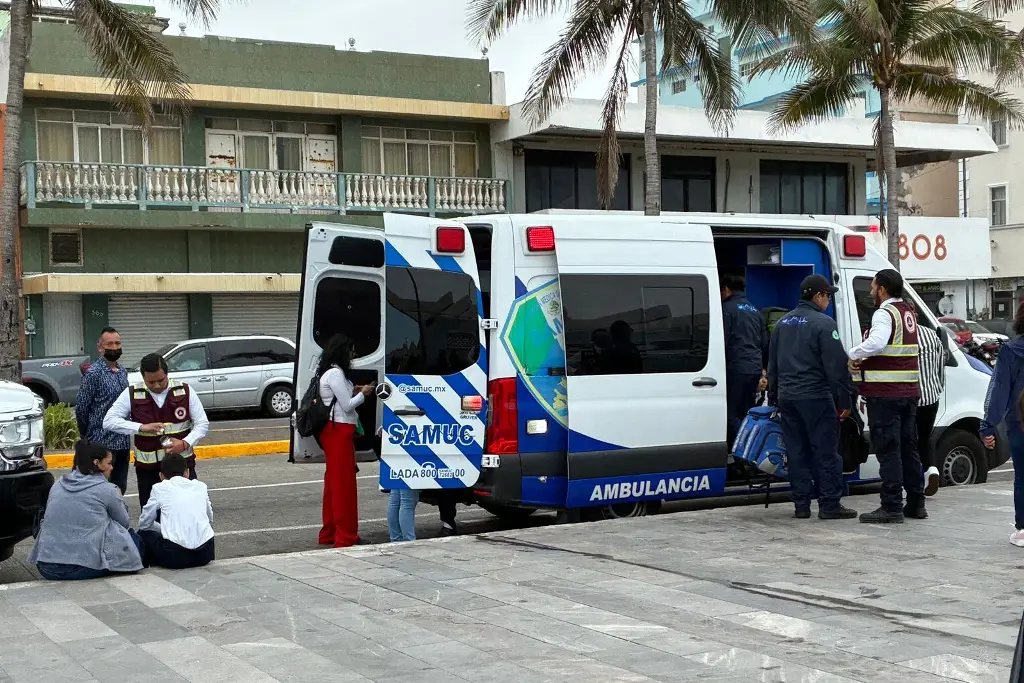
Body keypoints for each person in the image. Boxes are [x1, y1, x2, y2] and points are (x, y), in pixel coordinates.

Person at [767, 274, 857, 520]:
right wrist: (845, 400)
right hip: (816, 398)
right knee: (826, 452)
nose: (828, 300)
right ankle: (829, 505)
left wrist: (774, 397)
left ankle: (801, 505)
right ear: (818, 296)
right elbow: (836, 368)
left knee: (796, 453)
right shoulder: (824, 324)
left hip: (788, 398)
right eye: (827, 295)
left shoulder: (782, 324)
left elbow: (772, 365)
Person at [848, 268, 924, 524]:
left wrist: (853, 353)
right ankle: (916, 503)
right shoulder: (907, 311)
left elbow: (878, 343)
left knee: (889, 451)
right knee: (908, 449)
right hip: (908, 393)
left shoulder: (884, 313)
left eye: (873, 287)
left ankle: (891, 506)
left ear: (882, 289)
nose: (871, 291)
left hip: (885, 395)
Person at [103, 353, 209, 507]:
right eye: (151, 382)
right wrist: (140, 427)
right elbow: (109, 421)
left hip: (181, 466)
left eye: (161, 380)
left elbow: (202, 424)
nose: (157, 385)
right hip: (148, 471)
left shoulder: (184, 390)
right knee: (151, 514)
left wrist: (185, 443)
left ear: (167, 374)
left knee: (187, 508)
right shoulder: (132, 393)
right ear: (143, 378)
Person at [29, 440, 145, 580]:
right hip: (82, 567)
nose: (112, 467)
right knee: (135, 540)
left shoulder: (58, 485)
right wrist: (119, 497)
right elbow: (124, 524)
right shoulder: (108, 490)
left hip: (46, 567)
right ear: (96, 462)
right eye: (108, 463)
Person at [318, 335, 374, 548]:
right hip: (339, 431)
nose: (353, 355)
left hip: (333, 432)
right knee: (344, 485)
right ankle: (346, 536)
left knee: (333, 484)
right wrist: (365, 394)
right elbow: (348, 405)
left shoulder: (329, 372)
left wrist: (354, 389)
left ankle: (329, 532)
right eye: (351, 350)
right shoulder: (335, 373)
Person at [980, 301, 1024, 547]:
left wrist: (988, 426)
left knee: (1023, 477)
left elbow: (998, 391)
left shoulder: (1011, 352)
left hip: (1020, 423)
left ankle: (1023, 529)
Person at [74, 327, 130, 494]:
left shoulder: (122, 372)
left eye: (117, 343)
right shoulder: (93, 374)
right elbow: (82, 407)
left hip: (122, 442)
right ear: (100, 347)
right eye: (109, 344)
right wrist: (86, 434)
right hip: (101, 443)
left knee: (119, 488)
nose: (114, 347)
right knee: (99, 490)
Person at [138, 453, 215, 569]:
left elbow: (144, 523)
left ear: (161, 476)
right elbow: (209, 518)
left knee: (143, 534)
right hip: (205, 553)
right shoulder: (201, 486)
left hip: (176, 557)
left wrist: (162, 528)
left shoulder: (159, 488)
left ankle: (147, 570)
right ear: (187, 473)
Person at [721, 273, 769, 444]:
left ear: (726, 289)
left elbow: (722, 341)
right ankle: (750, 454)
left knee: (730, 414)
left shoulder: (726, 310)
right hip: (754, 368)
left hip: (736, 368)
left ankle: (742, 452)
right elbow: (764, 343)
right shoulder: (755, 311)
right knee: (747, 412)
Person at [916, 324, 949, 497]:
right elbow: (940, 364)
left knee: (907, 441)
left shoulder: (899, 333)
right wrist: (937, 388)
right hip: (930, 398)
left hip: (909, 397)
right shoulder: (931, 335)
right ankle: (932, 469)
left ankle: (913, 481)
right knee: (925, 437)